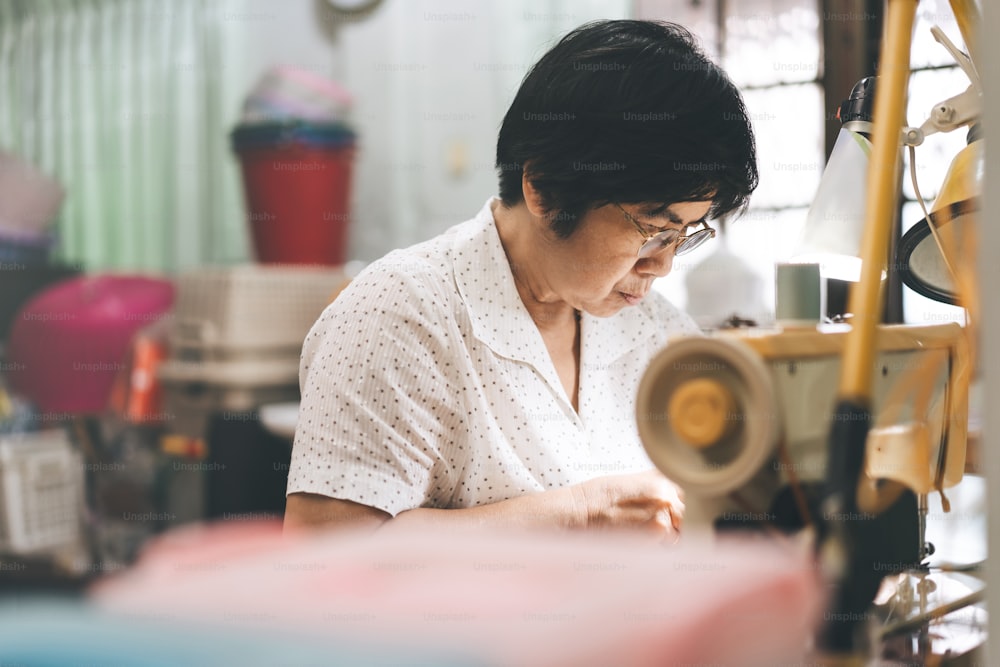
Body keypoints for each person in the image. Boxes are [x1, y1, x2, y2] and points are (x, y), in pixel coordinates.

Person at [284, 19, 758, 540]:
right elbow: (325, 554)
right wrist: (578, 514)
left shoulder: (658, 334)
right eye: (653, 229)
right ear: (545, 189)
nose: (662, 264)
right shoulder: (398, 315)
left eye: (685, 234)